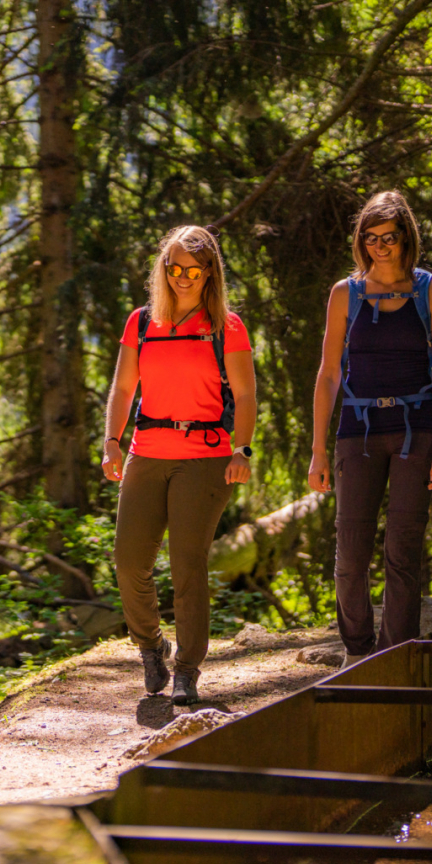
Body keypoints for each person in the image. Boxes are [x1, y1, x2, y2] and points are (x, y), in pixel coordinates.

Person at [101, 224, 257, 705]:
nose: (184, 277)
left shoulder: (226, 326)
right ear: (163, 269)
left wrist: (242, 448)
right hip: (147, 452)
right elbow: (124, 388)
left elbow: (247, 392)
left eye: (194, 269)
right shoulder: (142, 322)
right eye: (175, 268)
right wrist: (112, 441)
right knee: (129, 562)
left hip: (206, 459)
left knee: (188, 567)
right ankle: (152, 647)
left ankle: (187, 669)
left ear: (210, 271)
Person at [307, 191, 432, 657]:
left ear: (406, 237)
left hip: (418, 427)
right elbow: (329, 373)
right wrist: (318, 449)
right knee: (350, 552)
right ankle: (356, 650)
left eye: (388, 238)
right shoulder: (343, 294)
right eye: (370, 239)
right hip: (358, 428)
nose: (379, 247)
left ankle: (395, 654)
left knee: (402, 548)